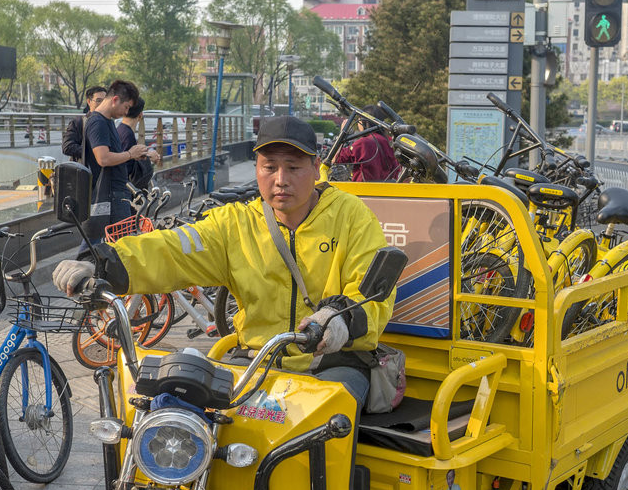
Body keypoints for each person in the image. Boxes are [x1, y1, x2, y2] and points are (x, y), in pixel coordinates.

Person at [55, 115, 395, 400]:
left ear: (316, 167)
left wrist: (337, 319)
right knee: (183, 412)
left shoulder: (352, 216)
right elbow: (171, 248)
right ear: (256, 168)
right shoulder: (237, 223)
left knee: (329, 422)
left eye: (293, 167)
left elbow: (372, 289)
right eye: (269, 167)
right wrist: (99, 263)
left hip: (335, 361)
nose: (280, 180)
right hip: (258, 358)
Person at [79, 80, 149, 253]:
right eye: (126, 107)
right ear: (115, 99)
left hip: (116, 193)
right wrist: (130, 154)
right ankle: (75, 276)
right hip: (108, 195)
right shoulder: (98, 122)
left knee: (110, 245)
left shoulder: (108, 121)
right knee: (118, 247)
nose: (126, 112)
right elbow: (103, 158)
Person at [334, 105, 400, 182]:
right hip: (387, 189)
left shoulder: (363, 143)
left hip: (363, 190)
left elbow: (336, 159)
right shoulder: (390, 141)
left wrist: (342, 135)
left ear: (365, 122)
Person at [117, 97, 161, 189]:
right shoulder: (127, 134)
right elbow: (127, 165)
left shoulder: (121, 129)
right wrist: (148, 159)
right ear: (140, 115)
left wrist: (147, 155)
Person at [62, 85, 107, 162]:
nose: (102, 104)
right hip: (85, 170)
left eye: (105, 101)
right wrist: (94, 151)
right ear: (89, 101)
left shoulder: (108, 123)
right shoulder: (78, 123)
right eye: (99, 100)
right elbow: (67, 147)